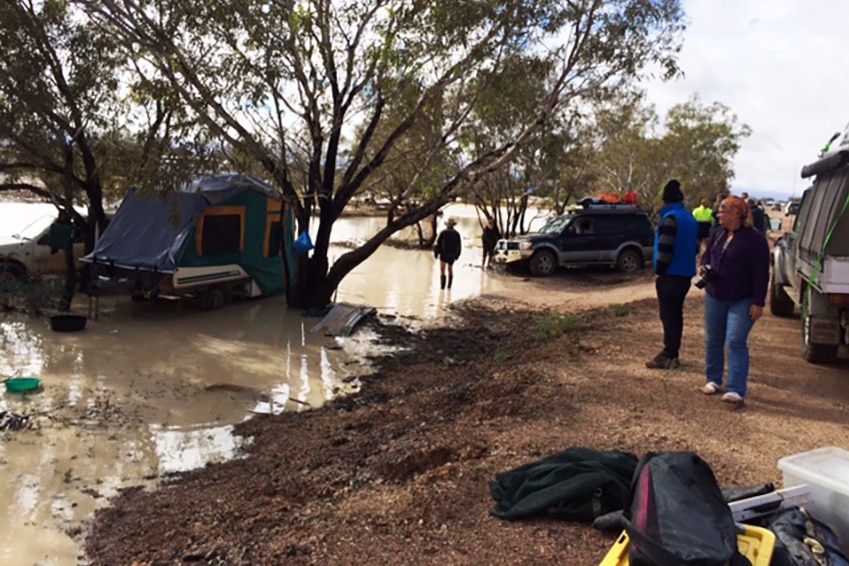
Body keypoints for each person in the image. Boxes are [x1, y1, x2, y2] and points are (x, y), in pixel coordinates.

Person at [697, 196, 770, 405]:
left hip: (743, 299)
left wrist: (758, 302)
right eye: (719, 213)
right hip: (715, 295)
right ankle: (713, 379)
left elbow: (761, 273)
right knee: (713, 340)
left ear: (737, 214)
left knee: (735, 341)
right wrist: (705, 267)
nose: (719, 216)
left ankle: (736, 389)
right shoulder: (717, 234)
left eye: (723, 213)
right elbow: (707, 256)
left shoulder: (755, 240)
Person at [646, 179, 699, 370]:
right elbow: (695, 248)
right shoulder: (690, 218)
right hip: (685, 275)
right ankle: (672, 353)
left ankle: (669, 354)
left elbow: (665, 248)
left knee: (668, 316)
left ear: (665, 201)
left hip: (670, 275)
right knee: (676, 315)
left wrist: (659, 271)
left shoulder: (670, 219)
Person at [434, 217, 462, 289]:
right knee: (450, 269)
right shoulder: (457, 234)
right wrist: (457, 255)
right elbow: (459, 245)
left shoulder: (443, 232)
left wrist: (436, 253)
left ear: (447, 225)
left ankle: (442, 286)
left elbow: (438, 244)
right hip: (452, 254)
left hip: (444, 253)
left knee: (442, 270)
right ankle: (449, 286)